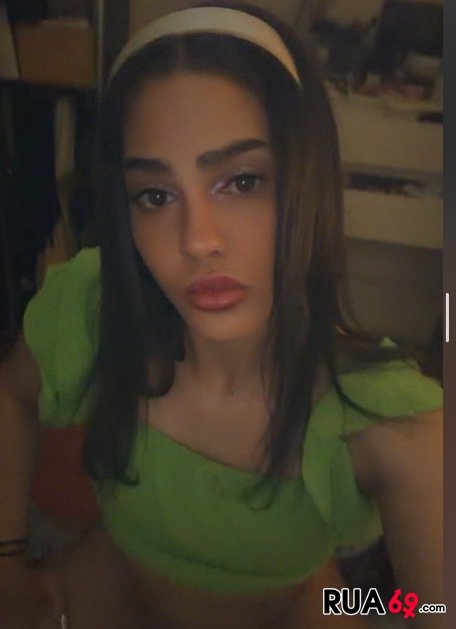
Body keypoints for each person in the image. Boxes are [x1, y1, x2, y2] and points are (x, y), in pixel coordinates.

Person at [0, 3, 443, 627]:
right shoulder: (99, 311)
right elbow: (12, 396)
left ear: (306, 180)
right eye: (155, 195)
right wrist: (6, 558)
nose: (197, 240)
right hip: (115, 581)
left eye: (241, 181)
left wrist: (351, 605)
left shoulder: (383, 420)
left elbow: (431, 605)